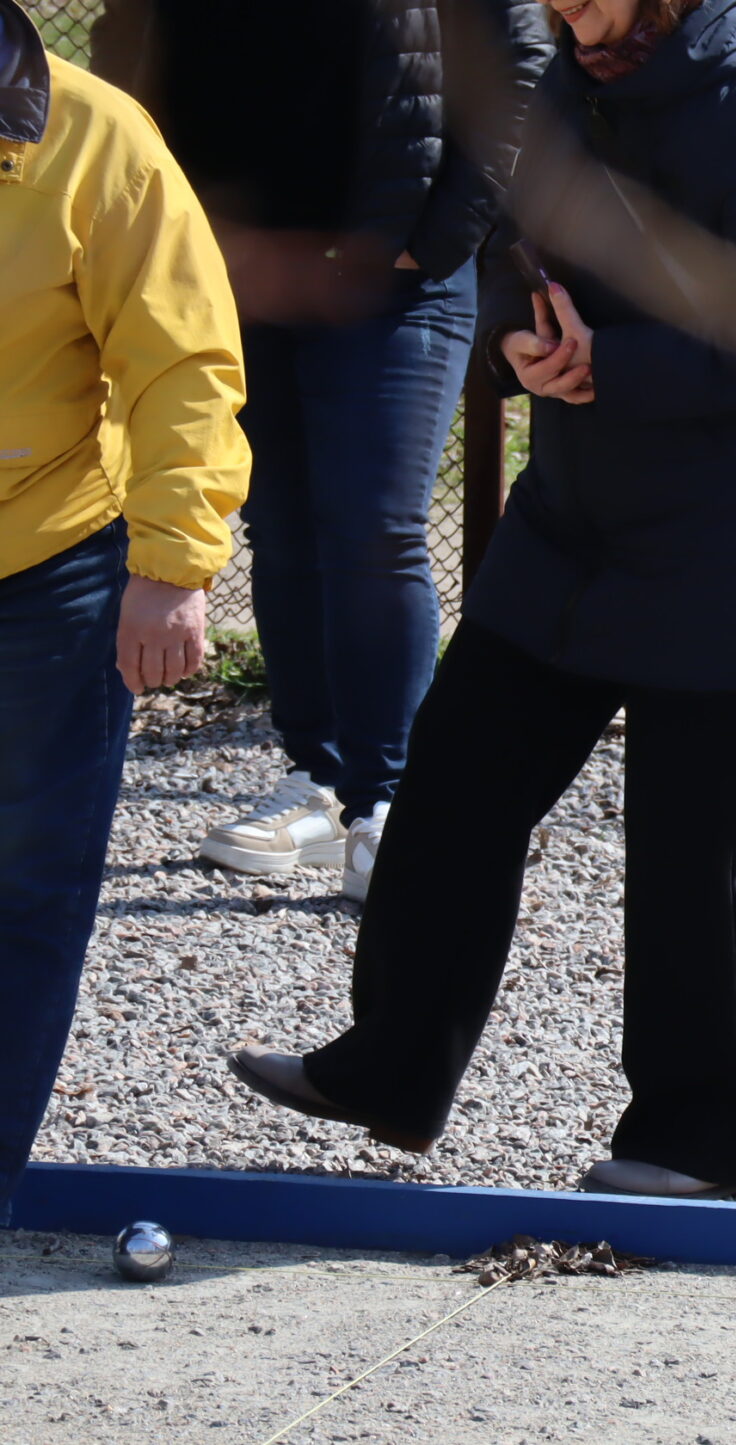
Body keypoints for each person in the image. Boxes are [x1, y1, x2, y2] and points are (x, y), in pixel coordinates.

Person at [223, 0, 736, 1200]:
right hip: (572, 524)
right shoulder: (574, 75)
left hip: (723, 537)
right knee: (453, 784)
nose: (562, 4)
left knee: (690, 845)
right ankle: (390, 1070)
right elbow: (513, 258)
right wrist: (517, 341)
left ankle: (709, 1140)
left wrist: (611, 366)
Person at [92, 0, 552, 903]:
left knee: (374, 529)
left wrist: (446, 230)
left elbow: (522, 59)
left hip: (395, 272)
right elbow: (126, 42)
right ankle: (319, 780)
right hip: (231, 266)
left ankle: (390, 804)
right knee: (282, 525)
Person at [0, 0, 250, 1219]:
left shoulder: (100, 140)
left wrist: (174, 561)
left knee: (23, 888)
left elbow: (179, 362)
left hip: (46, 560)